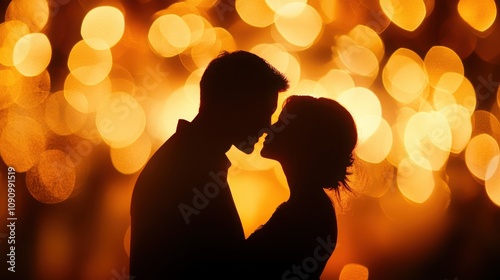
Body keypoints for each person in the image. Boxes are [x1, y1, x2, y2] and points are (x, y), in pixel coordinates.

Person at [130, 51, 289, 279]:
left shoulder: (188, 160)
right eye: (263, 113)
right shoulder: (189, 170)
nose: (267, 126)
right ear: (233, 105)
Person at [245, 95, 357, 279]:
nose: (269, 129)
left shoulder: (307, 212)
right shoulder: (309, 206)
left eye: (281, 123)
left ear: (301, 140)